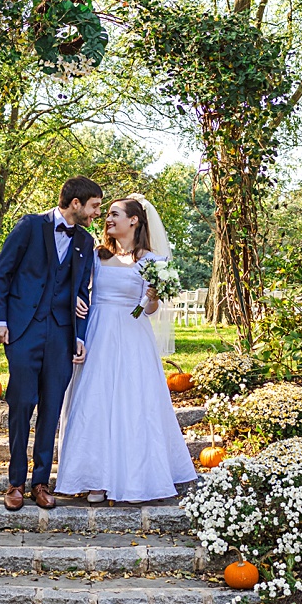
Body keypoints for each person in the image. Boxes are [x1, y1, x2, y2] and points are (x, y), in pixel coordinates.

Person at [54, 195, 197, 504]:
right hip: (98, 331)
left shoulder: (152, 261)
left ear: (134, 220)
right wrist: (76, 303)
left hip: (132, 333)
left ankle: (134, 477)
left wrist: (152, 297)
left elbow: (146, 311)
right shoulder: (96, 255)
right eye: (106, 213)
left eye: (115, 213)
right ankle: (94, 479)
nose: (108, 218)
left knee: (133, 402)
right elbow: (75, 288)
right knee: (94, 401)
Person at [0, 176, 103, 511]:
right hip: (23, 330)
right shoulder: (29, 226)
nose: (97, 212)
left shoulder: (84, 241)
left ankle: (41, 482)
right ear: (77, 203)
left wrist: (79, 335)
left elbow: (83, 292)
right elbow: (3, 274)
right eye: (94, 206)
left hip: (61, 334)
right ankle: (15, 482)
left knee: (52, 407)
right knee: (22, 404)